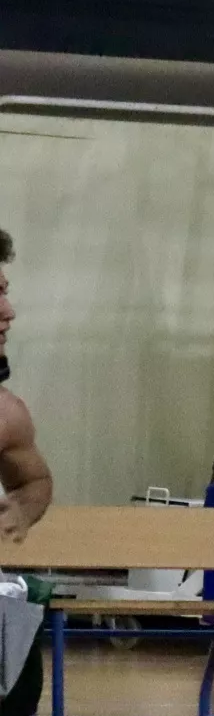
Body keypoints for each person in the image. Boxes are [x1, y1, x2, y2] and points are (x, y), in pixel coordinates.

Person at [0, 229, 52, 545]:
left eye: (4, 292)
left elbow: (34, 481)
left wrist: (19, 511)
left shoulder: (6, 414)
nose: (9, 312)